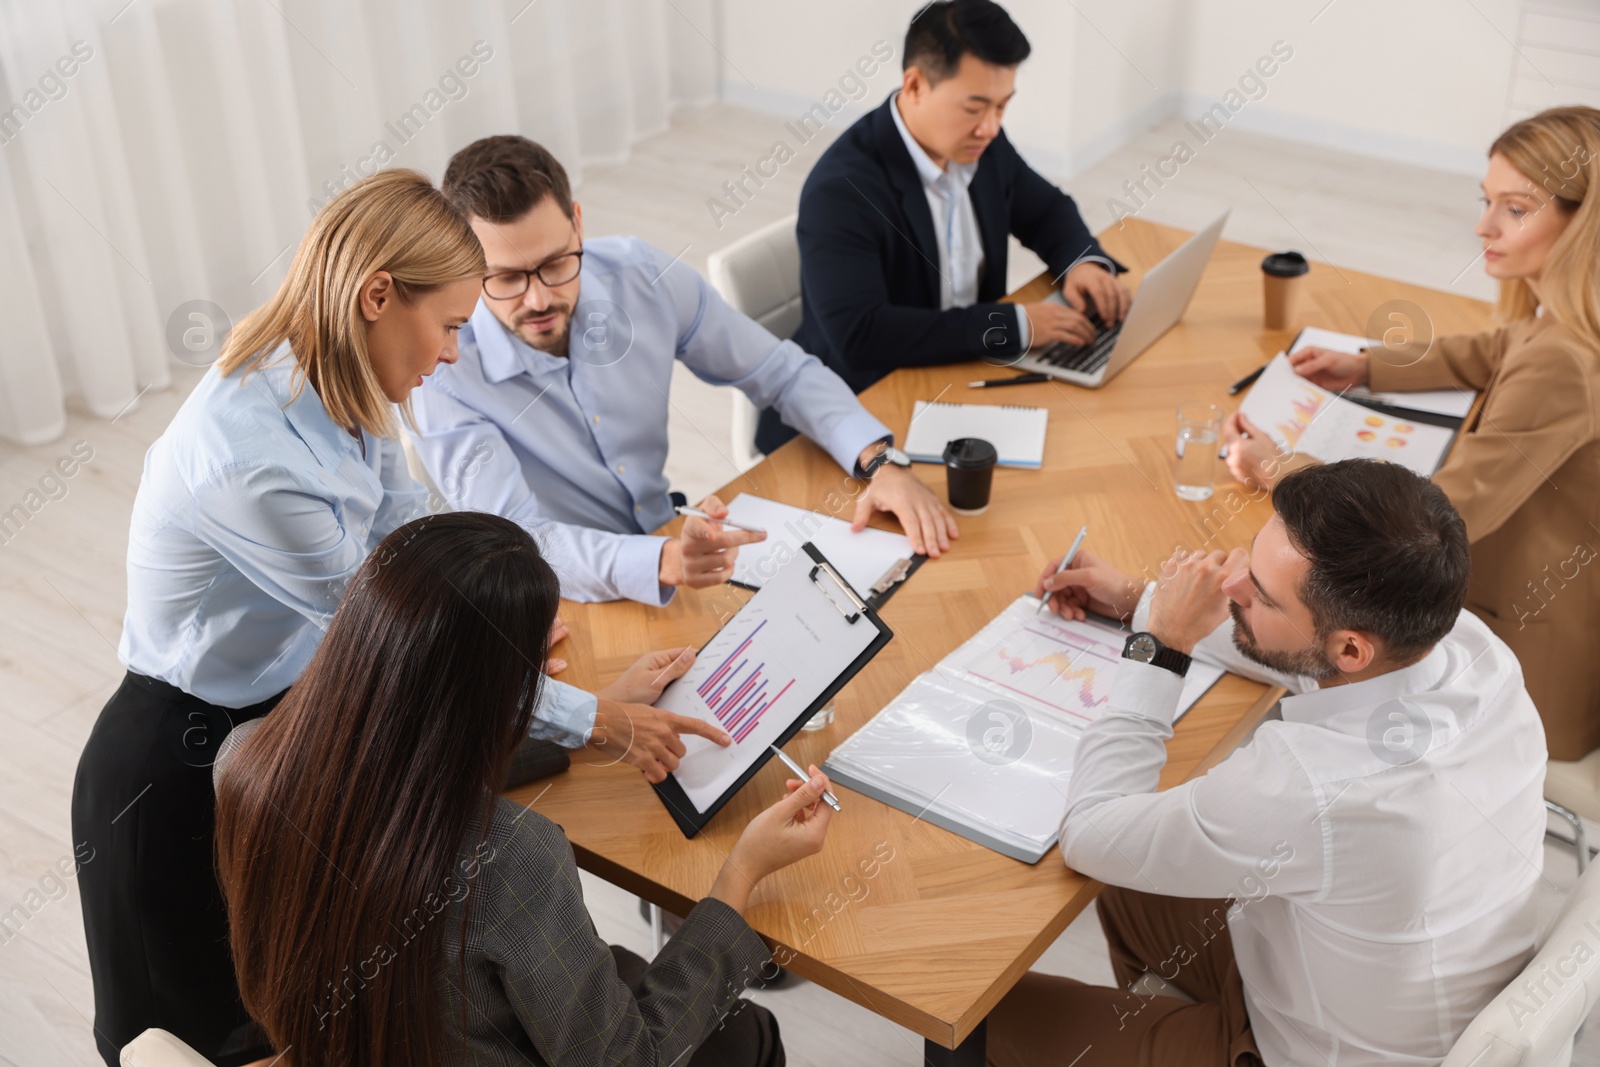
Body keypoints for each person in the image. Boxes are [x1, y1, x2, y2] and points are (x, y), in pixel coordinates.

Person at [70, 171, 722, 1067]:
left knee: (318, 1006)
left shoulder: (344, 385)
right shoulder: (251, 464)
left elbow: (407, 536)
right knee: (219, 1039)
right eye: (452, 325)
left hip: (288, 718)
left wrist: (501, 631)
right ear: (379, 295)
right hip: (177, 767)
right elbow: (396, 637)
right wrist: (593, 715)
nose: (457, 354)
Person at [215, 511, 833, 1066]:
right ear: (494, 689)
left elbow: (403, 759)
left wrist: (594, 718)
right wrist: (741, 875)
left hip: (365, 1033)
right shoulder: (511, 858)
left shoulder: (245, 755)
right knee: (749, 1035)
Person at [992, 459, 1545, 1066]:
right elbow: (1311, 654)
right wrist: (1143, 601)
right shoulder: (1465, 643)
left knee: (986, 1023)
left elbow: (1092, 833)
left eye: (1258, 591)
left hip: (1322, 1053)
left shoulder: (1309, 788)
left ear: (1352, 648)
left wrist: (1159, 646)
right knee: (1127, 898)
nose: (1232, 586)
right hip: (1408, 1001)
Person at [408, 135, 956, 606]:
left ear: (578, 223)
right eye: (505, 278)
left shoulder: (639, 274)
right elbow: (519, 543)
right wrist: (661, 561)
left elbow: (780, 371)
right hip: (565, 594)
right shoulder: (442, 371)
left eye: (556, 263)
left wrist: (879, 462)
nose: (539, 298)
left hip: (669, 540)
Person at [1222, 105, 1600, 761]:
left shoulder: (1564, 362)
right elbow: (1500, 346)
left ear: (1583, 220)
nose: (1483, 226)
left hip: (1528, 648)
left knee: (1286, 608)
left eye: (1516, 208)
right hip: (1556, 597)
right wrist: (1370, 362)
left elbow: (1421, 523)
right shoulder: (1567, 320)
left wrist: (1279, 465)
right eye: (1487, 201)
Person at [759, 0, 1131, 452]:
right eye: (975, 108)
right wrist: (1010, 325)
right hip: (861, 411)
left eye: (1002, 106)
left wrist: (1082, 264)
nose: (991, 127)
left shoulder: (982, 145)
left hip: (961, 375)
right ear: (914, 85)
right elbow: (861, 335)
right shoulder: (842, 192)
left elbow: (1047, 210)